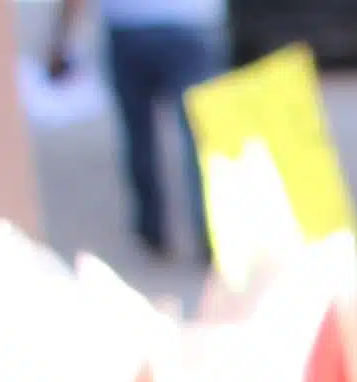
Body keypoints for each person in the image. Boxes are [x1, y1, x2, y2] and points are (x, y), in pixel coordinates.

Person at [45, 0, 225, 262]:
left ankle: (153, 234)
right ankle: (210, 233)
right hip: (190, 22)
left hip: (132, 26)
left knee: (140, 139)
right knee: (199, 139)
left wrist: (61, 40)